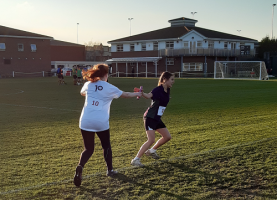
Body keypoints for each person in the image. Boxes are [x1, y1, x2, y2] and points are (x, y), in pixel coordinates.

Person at [74, 63, 142, 187]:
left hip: (85, 120)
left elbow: (82, 93)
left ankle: (80, 166)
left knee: (88, 149)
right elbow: (125, 94)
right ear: (106, 74)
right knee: (106, 146)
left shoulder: (88, 84)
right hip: (100, 121)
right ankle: (109, 170)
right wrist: (137, 94)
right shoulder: (109, 87)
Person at [131, 71, 175, 167]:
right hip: (150, 117)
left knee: (167, 137)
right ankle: (136, 159)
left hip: (157, 118)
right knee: (151, 140)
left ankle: (152, 150)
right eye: (171, 79)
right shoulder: (157, 89)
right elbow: (148, 96)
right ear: (164, 80)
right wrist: (141, 93)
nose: (173, 81)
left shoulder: (167, 90)